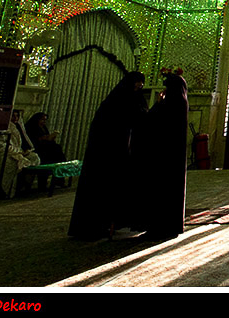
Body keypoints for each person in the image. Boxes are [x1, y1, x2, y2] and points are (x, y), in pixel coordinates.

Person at [68, 71, 148, 240]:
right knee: (102, 187)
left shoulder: (132, 99)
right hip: (107, 155)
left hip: (121, 153)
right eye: (137, 82)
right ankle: (96, 225)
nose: (139, 86)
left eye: (141, 82)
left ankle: (114, 222)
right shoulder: (116, 102)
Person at [134, 69, 189, 239]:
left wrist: (158, 103)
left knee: (160, 191)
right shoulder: (181, 102)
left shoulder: (168, 104)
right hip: (174, 158)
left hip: (161, 158)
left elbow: (151, 123)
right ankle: (170, 226)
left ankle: (158, 227)